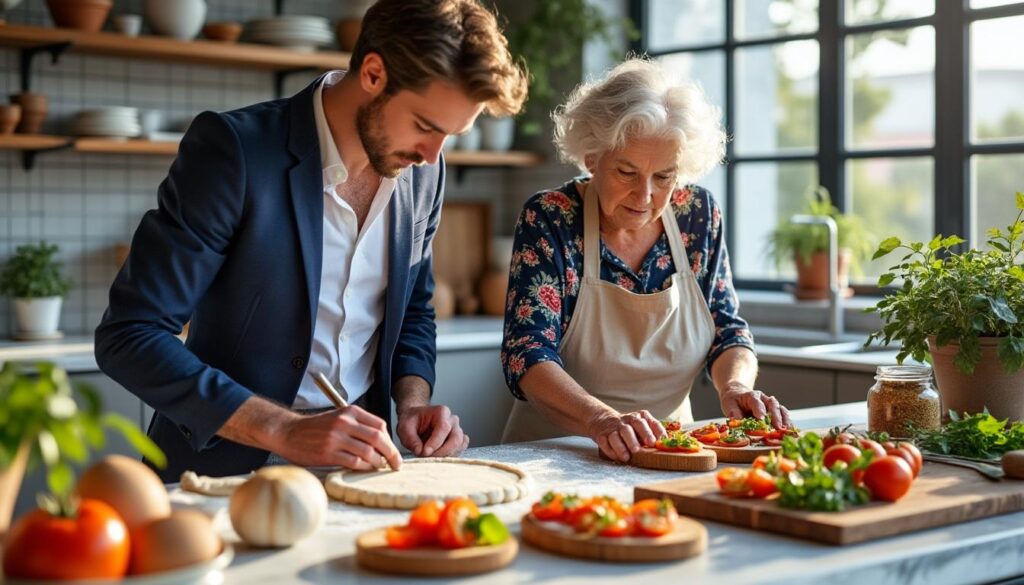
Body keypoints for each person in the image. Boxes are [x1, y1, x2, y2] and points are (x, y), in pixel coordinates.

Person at [95, 0, 528, 481]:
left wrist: (412, 402)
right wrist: (283, 429)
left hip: (360, 467)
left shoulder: (423, 173)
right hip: (222, 471)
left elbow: (413, 313)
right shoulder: (234, 151)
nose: (432, 155)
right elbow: (129, 335)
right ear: (373, 73)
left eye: (452, 135)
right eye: (426, 126)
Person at [499, 58, 791, 461]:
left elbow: (727, 330)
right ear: (592, 157)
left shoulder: (697, 214)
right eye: (626, 172)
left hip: (667, 453)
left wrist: (735, 387)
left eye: (665, 176)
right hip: (554, 452)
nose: (645, 196)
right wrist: (600, 420)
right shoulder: (550, 218)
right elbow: (527, 352)